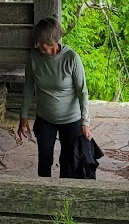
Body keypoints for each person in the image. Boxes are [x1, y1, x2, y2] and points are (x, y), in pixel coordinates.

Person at [15, 17, 91, 178]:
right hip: (45, 118)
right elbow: (28, 86)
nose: (39, 45)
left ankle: (64, 197)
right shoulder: (34, 57)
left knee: (68, 161)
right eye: (38, 41)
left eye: (43, 42)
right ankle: (43, 195)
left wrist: (85, 122)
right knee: (44, 159)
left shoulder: (71, 58)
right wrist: (23, 116)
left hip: (71, 120)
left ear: (53, 41)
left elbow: (82, 92)